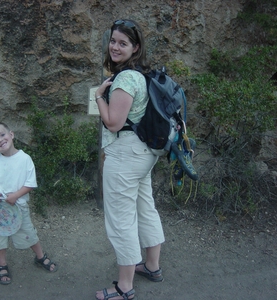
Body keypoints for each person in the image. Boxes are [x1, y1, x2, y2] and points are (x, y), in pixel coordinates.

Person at [94, 20, 165, 300]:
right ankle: (152, 266)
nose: (115, 47)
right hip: (143, 154)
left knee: (121, 219)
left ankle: (124, 286)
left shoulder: (125, 78)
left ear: (135, 47)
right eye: (113, 41)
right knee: (145, 207)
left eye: (123, 43)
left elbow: (113, 123)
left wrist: (99, 95)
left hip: (125, 156)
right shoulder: (141, 75)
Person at [0, 122, 58, 285]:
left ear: (11, 134)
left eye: (2, 135)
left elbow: (30, 183)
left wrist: (16, 195)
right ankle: (2, 265)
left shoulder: (24, 159)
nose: (0, 140)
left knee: (28, 232)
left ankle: (40, 257)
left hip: (18, 207)